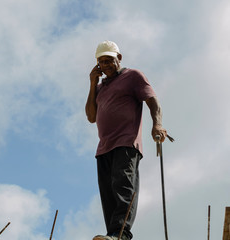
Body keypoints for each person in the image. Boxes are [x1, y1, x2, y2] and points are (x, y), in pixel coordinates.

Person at [85, 40, 168, 240]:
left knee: (123, 186)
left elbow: (153, 101)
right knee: (108, 194)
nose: (105, 66)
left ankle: (121, 234)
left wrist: (157, 124)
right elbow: (90, 116)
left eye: (109, 60)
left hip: (126, 141)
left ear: (119, 58)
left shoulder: (133, 76)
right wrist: (92, 84)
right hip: (104, 147)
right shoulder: (100, 87)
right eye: (101, 62)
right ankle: (112, 235)